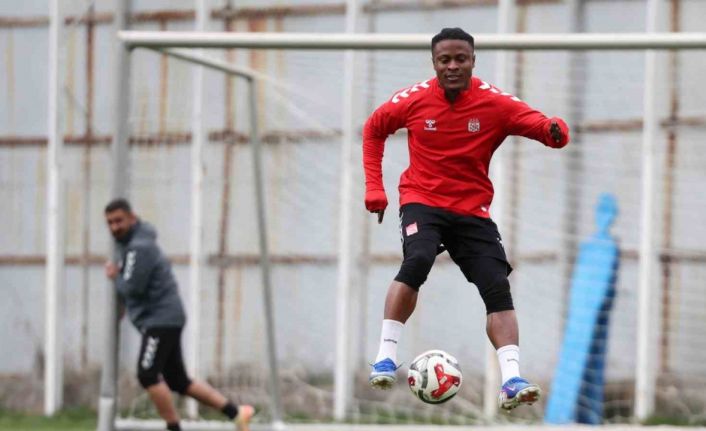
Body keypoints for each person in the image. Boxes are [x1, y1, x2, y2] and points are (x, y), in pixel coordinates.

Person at [363, 27, 569, 410]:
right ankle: (385, 356)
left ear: (473, 61)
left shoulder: (494, 103)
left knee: (497, 286)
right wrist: (375, 188)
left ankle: (512, 380)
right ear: (434, 63)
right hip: (422, 200)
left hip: (472, 210)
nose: (453, 66)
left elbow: (540, 126)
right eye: (445, 60)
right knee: (418, 259)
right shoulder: (413, 100)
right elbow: (374, 128)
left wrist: (554, 132)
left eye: (461, 59)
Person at [104, 198, 255, 431]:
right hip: (165, 318)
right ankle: (237, 413)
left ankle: (174, 428)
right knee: (178, 380)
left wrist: (115, 276)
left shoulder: (138, 247)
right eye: (110, 223)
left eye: (119, 221)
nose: (115, 227)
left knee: (147, 375)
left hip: (160, 320)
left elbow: (133, 288)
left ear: (132, 218)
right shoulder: (132, 244)